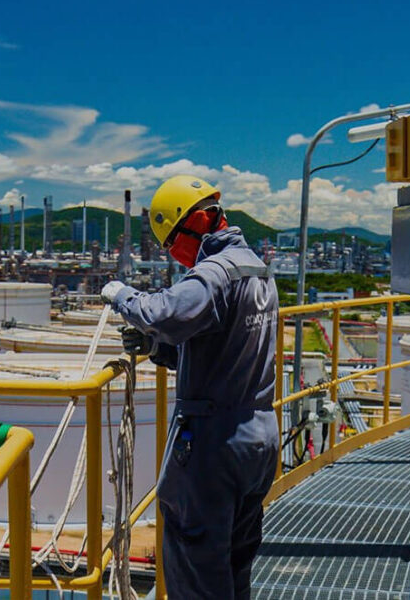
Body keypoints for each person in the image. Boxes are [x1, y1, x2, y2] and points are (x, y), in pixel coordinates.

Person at [101, 175, 279, 599]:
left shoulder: (216, 272)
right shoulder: (257, 269)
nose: (175, 256)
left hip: (214, 443)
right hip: (258, 437)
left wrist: (122, 295)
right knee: (234, 561)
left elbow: (163, 313)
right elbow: (220, 347)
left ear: (195, 222)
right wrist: (157, 349)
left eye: (172, 244)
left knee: (195, 563)